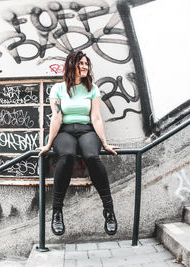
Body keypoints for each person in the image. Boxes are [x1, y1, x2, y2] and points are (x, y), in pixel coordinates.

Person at [39, 50, 119, 236]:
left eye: (86, 64)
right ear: (71, 65)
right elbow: (57, 117)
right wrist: (48, 144)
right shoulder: (58, 89)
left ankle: (109, 210)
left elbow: (96, 117)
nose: (84, 67)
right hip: (65, 131)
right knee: (67, 156)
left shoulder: (92, 88)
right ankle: (57, 212)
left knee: (92, 156)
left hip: (86, 130)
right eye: (80, 63)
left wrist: (105, 143)